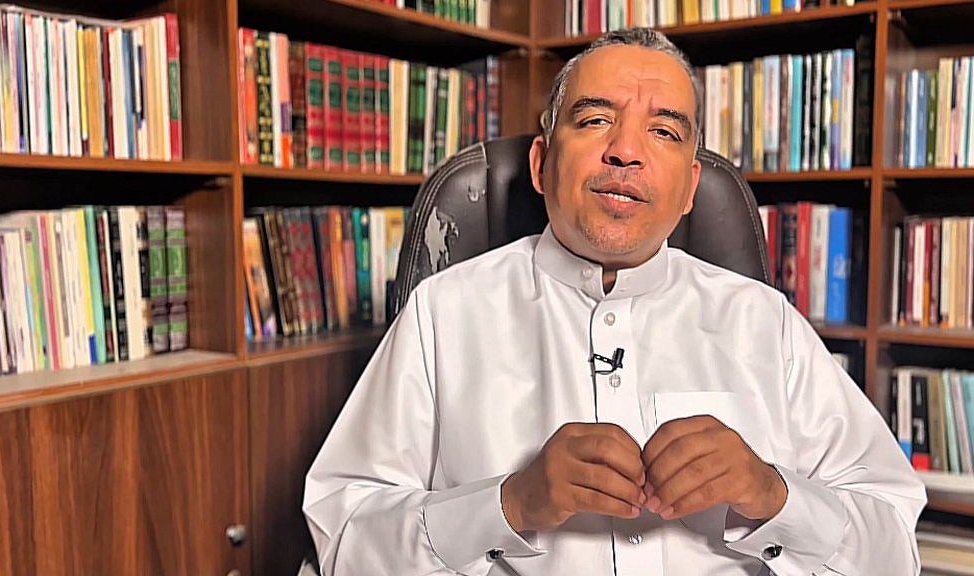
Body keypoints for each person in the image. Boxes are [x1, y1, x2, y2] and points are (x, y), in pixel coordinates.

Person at [302, 28, 926, 576]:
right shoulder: (442, 313)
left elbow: (894, 546)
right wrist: (509, 504)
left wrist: (772, 494)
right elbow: (343, 540)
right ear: (541, 164)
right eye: (595, 119)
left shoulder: (766, 323)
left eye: (663, 131)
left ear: (690, 188)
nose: (625, 150)